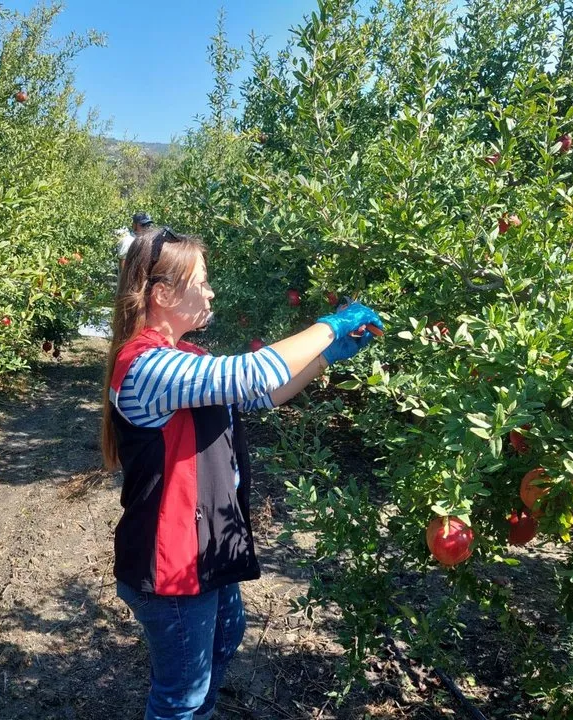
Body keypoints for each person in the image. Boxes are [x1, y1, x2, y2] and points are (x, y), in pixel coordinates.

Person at [100, 225, 383, 720]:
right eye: (202, 282)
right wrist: (330, 326)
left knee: (226, 638)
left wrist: (323, 358)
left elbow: (259, 393)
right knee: (179, 700)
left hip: (203, 544)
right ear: (163, 293)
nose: (211, 292)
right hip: (172, 563)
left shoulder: (184, 358)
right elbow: (252, 373)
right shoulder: (145, 366)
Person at [117, 211, 155, 276]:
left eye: (148, 225)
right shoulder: (127, 241)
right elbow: (123, 267)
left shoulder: (149, 241)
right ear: (134, 225)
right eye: (143, 225)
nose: (146, 228)